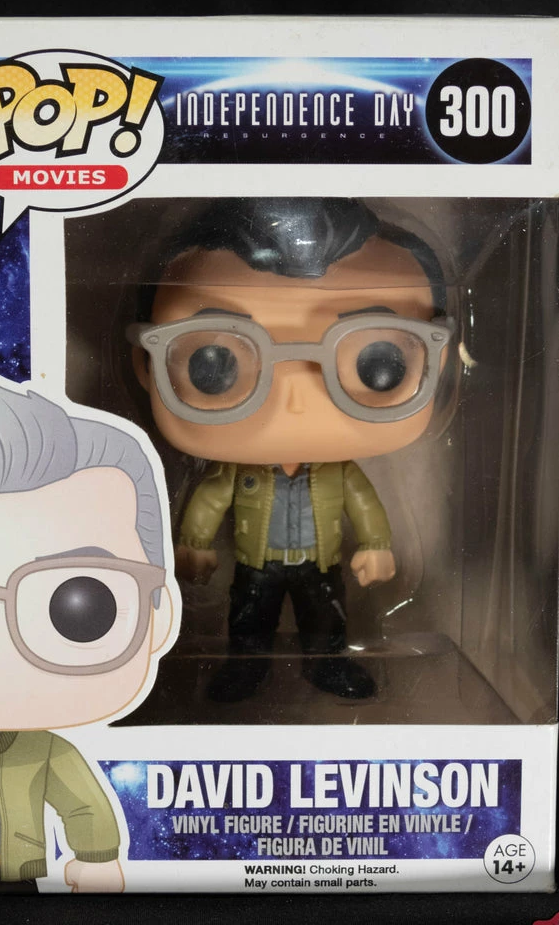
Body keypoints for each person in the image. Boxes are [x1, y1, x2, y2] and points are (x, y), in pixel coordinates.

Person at [130, 198, 451, 702]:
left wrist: (375, 545)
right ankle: (246, 669)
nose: (294, 400)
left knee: (325, 616)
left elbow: (364, 504)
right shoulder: (236, 472)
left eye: (378, 362)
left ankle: (328, 665)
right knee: (249, 617)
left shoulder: (338, 473)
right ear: (144, 365)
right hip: (257, 564)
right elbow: (210, 498)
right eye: (213, 364)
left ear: (440, 360)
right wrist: (193, 543)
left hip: (318, 564)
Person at [0, 374, 177, 892]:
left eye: (78, 607)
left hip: (16, 879)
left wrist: (96, 858)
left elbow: (83, 804)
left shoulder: (42, 750)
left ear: (161, 615)